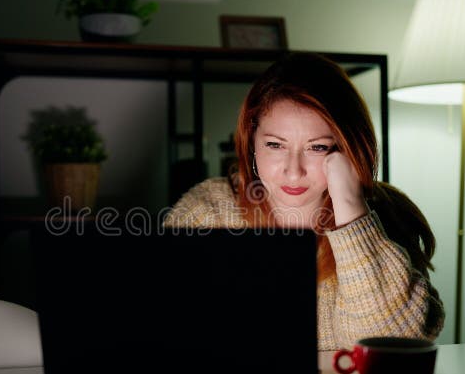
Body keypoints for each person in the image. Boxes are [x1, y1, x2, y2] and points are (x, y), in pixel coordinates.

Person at [163, 53, 445, 351]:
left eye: (318, 147)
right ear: (251, 143)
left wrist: (351, 211)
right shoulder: (209, 211)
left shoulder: (388, 216)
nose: (293, 171)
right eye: (275, 145)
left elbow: (387, 349)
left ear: (349, 149)